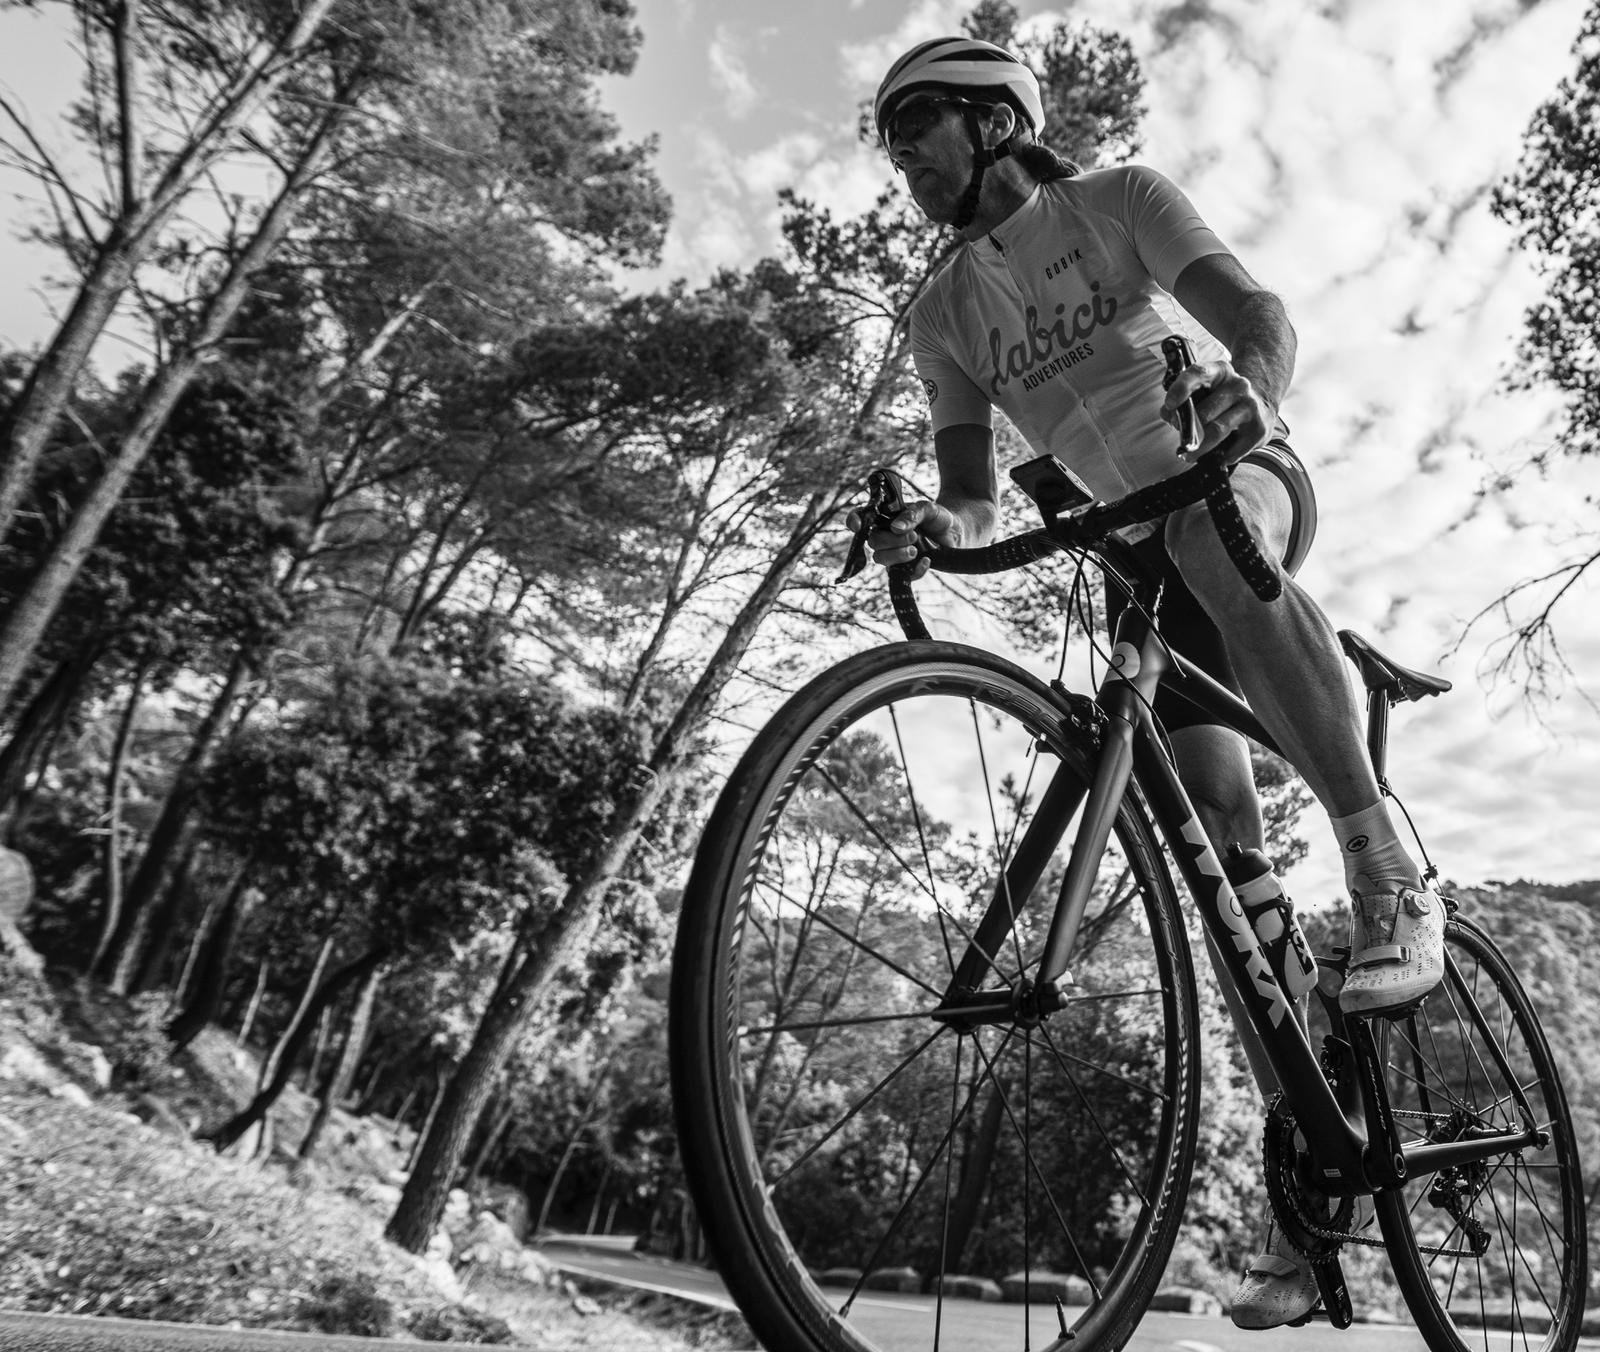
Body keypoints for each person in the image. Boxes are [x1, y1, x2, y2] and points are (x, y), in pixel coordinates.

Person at [859, 35, 1446, 1330]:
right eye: (890, 144)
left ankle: (1385, 866)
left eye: (916, 129)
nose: (901, 161)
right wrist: (933, 528)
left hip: (1235, 472)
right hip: (1131, 555)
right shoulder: (941, 314)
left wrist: (1252, 393)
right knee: (1221, 863)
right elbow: (970, 494)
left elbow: (1260, 316)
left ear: (994, 121)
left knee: (1203, 538)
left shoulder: (1118, 200)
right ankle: (1316, 1180)